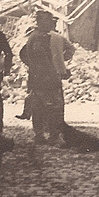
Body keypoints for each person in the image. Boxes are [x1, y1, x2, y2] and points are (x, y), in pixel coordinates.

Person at [20, 10, 75, 147]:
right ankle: (51, 135)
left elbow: (25, 55)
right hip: (44, 79)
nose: (50, 24)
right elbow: (42, 60)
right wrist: (58, 68)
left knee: (41, 107)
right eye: (48, 21)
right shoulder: (37, 38)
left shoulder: (45, 37)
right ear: (40, 22)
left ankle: (43, 135)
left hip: (42, 77)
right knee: (50, 107)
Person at [16, 26, 36, 120]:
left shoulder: (42, 43)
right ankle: (27, 113)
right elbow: (22, 55)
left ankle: (29, 113)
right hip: (33, 71)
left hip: (41, 72)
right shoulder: (28, 45)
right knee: (31, 92)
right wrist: (30, 64)